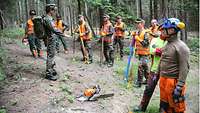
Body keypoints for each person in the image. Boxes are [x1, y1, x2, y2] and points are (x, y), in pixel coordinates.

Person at [158, 18, 189, 113]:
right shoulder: (167, 44)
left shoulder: (181, 47)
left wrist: (179, 86)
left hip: (173, 81)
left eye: (164, 30)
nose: (161, 32)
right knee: (164, 105)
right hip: (163, 79)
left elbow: (184, 67)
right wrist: (157, 73)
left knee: (176, 107)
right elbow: (162, 60)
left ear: (171, 30)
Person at [133, 25, 166, 112]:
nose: (163, 32)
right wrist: (162, 51)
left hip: (165, 70)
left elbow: (168, 53)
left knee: (165, 91)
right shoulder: (155, 40)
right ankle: (142, 106)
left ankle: (162, 109)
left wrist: (160, 51)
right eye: (161, 30)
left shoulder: (170, 41)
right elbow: (152, 51)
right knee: (148, 88)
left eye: (164, 30)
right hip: (154, 69)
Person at [43, 3, 66, 81]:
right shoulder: (48, 19)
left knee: (51, 55)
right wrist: (63, 35)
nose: (54, 12)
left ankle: (51, 70)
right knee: (50, 56)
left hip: (51, 39)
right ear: (50, 10)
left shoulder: (48, 18)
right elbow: (54, 29)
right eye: (53, 10)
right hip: (50, 39)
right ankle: (48, 74)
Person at [133, 18, 150, 87]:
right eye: (136, 23)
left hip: (145, 54)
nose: (137, 25)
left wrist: (139, 39)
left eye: (138, 23)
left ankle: (139, 82)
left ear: (142, 24)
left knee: (140, 66)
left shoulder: (145, 33)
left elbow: (146, 44)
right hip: (140, 53)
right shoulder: (137, 32)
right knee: (145, 67)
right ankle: (148, 81)